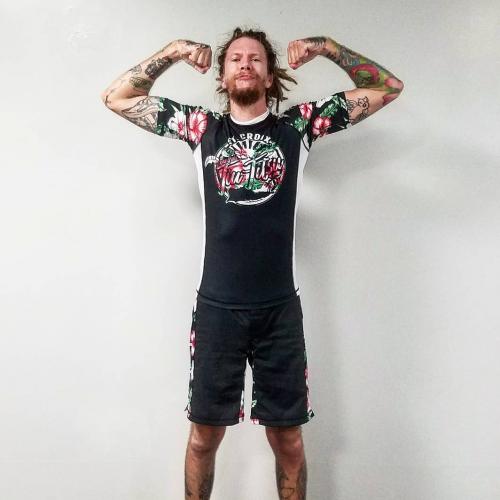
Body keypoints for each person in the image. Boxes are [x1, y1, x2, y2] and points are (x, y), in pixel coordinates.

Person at [101, 26, 404, 500]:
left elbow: (387, 87)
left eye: (256, 59)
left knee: (288, 440)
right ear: (222, 76)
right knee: (203, 438)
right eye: (236, 59)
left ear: (270, 76)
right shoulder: (201, 129)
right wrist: (174, 52)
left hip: (278, 312)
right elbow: (117, 97)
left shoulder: (297, 128)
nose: (245, 64)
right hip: (217, 311)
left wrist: (327, 48)